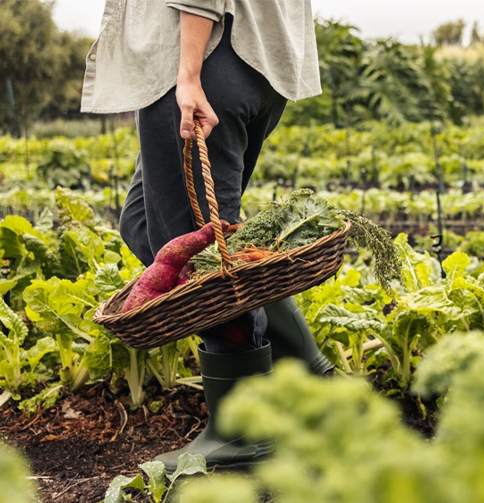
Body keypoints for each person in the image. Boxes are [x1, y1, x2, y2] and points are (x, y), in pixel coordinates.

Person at [82, 0, 333, 472]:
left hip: (208, 55)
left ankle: (242, 435)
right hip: (250, 59)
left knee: (203, 261)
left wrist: (190, 74)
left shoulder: (197, 66)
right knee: (144, 224)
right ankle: (307, 371)